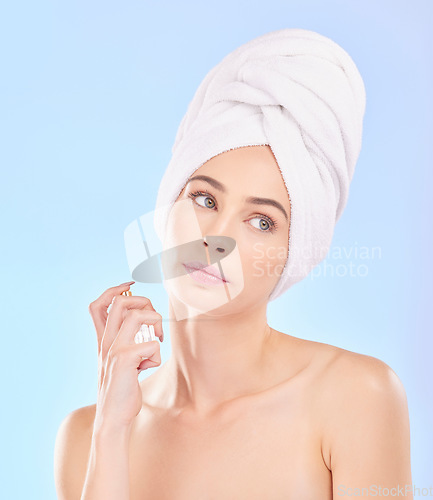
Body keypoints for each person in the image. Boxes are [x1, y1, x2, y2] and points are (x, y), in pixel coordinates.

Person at [54, 29, 412, 500]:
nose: (216, 239)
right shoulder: (87, 435)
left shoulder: (356, 398)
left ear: (294, 253)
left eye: (261, 221)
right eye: (204, 198)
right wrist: (113, 430)